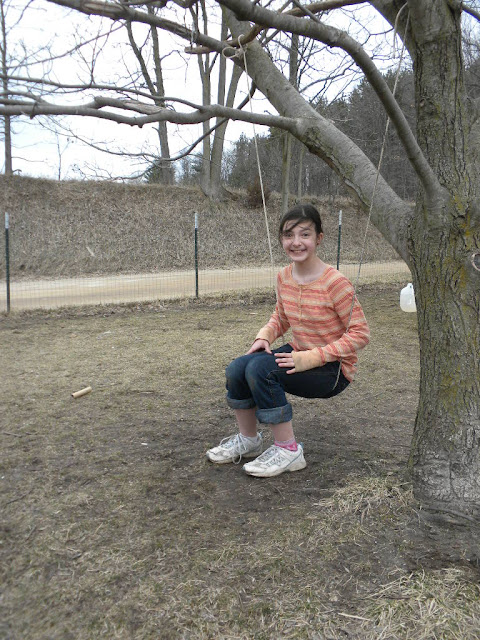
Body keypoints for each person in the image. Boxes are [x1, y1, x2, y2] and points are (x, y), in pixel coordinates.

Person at [206, 203, 370, 478]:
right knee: (238, 367)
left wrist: (313, 357)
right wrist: (265, 335)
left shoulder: (336, 283)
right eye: (288, 235)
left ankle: (289, 450)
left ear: (319, 238)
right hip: (298, 352)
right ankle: (249, 440)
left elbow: (360, 333)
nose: (296, 242)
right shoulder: (284, 276)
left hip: (333, 369)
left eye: (305, 234)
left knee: (261, 370)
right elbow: (281, 317)